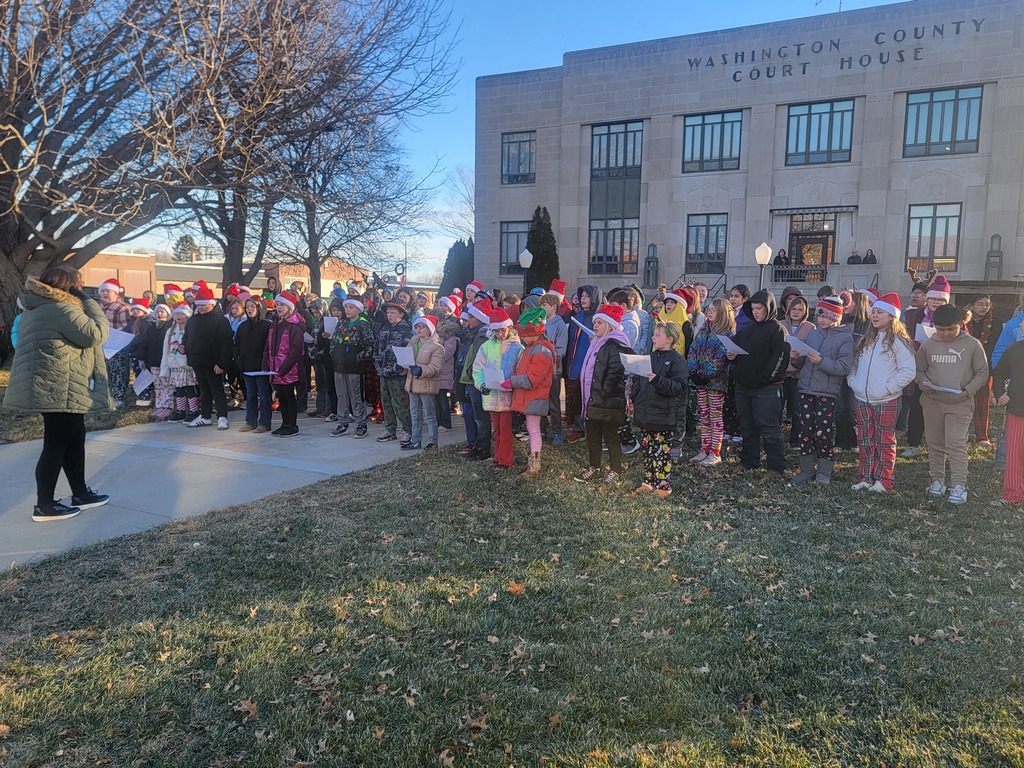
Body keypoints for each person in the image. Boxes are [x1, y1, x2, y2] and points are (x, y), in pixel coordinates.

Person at [3, 266, 112, 521]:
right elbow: (96, 334)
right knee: (56, 444)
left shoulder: (36, 308)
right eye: (79, 284)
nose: (82, 287)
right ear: (69, 286)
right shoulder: (62, 309)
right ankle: (45, 505)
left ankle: (80, 493)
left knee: (74, 438)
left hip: (53, 384)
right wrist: (88, 301)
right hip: (60, 385)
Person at [916, 303, 988, 505]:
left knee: (955, 444)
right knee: (934, 443)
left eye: (951, 329)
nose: (946, 334)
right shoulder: (928, 344)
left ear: (961, 324)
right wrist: (923, 383)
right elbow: (919, 370)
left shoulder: (972, 344)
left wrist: (968, 390)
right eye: (941, 330)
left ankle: (958, 485)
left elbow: (982, 372)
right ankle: (937, 480)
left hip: (959, 403)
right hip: (932, 401)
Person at [847, 293, 917, 493]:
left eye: (880, 312)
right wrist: (854, 382)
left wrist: (887, 388)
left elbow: (908, 371)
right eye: (874, 312)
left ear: (891, 316)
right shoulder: (866, 340)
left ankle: (884, 479)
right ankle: (866, 476)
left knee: (884, 440)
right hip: (862, 397)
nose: (875, 316)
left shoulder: (899, 342)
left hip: (886, 399)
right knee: (865, 439)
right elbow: (854, 363)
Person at [789, 296, 854, 485]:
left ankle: (824, 472)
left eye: (825, 315)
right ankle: (806, 469)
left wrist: (822, 361)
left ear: (836, 317)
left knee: (824, 432)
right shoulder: (814, 334)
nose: (821, 319)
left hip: (826, 392)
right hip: (806, 389)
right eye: (819, 315)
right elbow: (804, 361)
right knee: (805, 430)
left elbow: (843, 367)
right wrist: (796, 357)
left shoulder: (845, 337)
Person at [727, 289, 789, 477]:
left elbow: (780, 359)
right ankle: (749, 461)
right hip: (744, 386)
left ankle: (776, 466)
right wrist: (732, 356)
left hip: (766, 388)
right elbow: (736, 349)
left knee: (769, 427)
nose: (755, 312)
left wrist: (763, 378)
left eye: (759, 308)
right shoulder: (748, 329)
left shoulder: (777, 330)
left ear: (768, 308)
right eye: (753, 308)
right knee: (747, 425)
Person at [576, 304, 633, 485]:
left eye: (599, 322)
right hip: (592, 399)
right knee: (593, 436)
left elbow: (615, 373)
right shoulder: (597, 342)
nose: (595, 326)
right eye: (595, 323)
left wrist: (603, 393)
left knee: (611, 437)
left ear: (609, 325)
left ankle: (615, 469)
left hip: (607, 401)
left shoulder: (614, 345)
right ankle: (595, 466)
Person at [633, 321, 687, 496]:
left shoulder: (677, 361)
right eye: (653, 334)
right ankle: (648, 481)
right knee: (647, 449)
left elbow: (678, 387)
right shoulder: (649, 357)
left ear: (670, 339)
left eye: (658, 335)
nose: (653, 338)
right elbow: (639, 383)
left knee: (661, 452)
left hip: (664, 415)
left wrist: (657, 380)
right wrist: (633, 397)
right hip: (646, 414)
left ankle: (663, 485)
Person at [506, 307, 556, 477]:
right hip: (530, 397)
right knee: (531, 429)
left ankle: (534, 465)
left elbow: (533, 379)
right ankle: (532, 461)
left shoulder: (541, 351)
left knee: (534, 430)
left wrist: (511, 381)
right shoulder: (532, 347)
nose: (521, 337)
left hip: (535, 397)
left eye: (524, 335)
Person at [473, 308, 524, 470]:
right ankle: (498, 457)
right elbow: (478, 368)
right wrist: (480, 385)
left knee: (506, 429)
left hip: (507, 395)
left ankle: (505, 460)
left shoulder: (517, 347)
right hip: (491, 394)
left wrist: (513, 384)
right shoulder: (486, 346)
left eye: (502, 330)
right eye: (496, 331)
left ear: (509, 327)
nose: (500, 334)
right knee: (497, 430)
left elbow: (520, 370)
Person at [686, 298, 734, 467]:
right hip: (700, 382)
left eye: (714, 309)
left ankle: (715, 452)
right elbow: (692, 350)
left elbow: (721, 358)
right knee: (703, 416)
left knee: (715, 416)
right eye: (709, 309)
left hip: (715, 383)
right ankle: (704, 448)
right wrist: (693, 370)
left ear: (723, 313)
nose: (710, 312)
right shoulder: (702, 331)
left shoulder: (727, 334)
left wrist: (706, 373)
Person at [183, 284, 233, 429]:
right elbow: (187, 337)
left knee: (217, 389)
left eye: (205, 305)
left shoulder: (220, 320)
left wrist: (222, 363)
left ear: (212, 304)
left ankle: (222, 416)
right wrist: (184, 347)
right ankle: (205, 416)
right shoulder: (193, 320)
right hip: (197, 361)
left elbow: (226, 343)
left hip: (214, 362)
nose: (202, 308)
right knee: (204, 390)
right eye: (199, 305)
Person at [328, 296, 372, 438]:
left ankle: (361, 424)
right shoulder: (341, 324)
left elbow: (369, 346)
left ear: (359, 309)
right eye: (346, 307)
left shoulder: (363, 325)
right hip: (339, 366)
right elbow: (334, 342)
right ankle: (343, 422)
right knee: (341, 395)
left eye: (351, 307)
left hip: (355, 367)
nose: (347, 310)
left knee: (356, 396)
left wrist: (357, 358)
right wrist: (335, 356)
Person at [263, 291, 306, 437]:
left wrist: (284, 367)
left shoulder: (295, 326)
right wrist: (266, 363)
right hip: (275, 368)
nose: (279, 307)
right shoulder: (274, 324)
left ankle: (292, 425)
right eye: (277, 305)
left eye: (282, 305)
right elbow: (268, 346)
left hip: (289, 369)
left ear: (290, 307)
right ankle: (284, 423)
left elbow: (296, 350)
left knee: (289, 396)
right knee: (281, 396)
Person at [565, 285, 602, 443]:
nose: (583, 299)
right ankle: (578, 428)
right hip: (576, 360)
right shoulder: (578, 315)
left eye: (587, 296)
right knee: (578, 396)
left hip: (592, 361)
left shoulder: (599, 317)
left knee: (590, 397)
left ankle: (592, 429)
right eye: (582, 296)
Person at [372, 299, 413, 443]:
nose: (389, 315)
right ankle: (390, 428)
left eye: (393, 312)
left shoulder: (406, 331)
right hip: (383, 372)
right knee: (386, 402)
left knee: (400, 402)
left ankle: (408, 430)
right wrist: (378, 366)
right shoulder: (384, 329)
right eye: (388, 312)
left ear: (401, 314)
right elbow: (377, 348)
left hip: (397, 374)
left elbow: (408, 351)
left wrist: (403, 368)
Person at [965, 294, 1003, 447]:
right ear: (972, 306)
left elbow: (994, 345)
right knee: (964, 399)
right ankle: (963, 432)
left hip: (985, 366)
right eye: (980, 304)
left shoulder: (996, 323)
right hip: (965, 365)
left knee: (982, 401)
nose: (984, 307)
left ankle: (982, 435)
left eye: (986, 304)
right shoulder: (964, 321)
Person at [459, 298, 494, 460]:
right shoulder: (474, 334)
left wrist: (474, 378)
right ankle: (479, 446)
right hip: (473, 380)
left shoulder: (482, 336)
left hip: (477, 381)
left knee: (481, 417)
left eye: (472, 317)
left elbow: (478, 361)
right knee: (477, 416)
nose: (469, 320)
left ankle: (483, 448)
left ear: (480, 318)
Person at [991, 337, 1024, 506]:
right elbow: (998, 373)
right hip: (1017, 409)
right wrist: (999, 393)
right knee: (1014, 453)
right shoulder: (1015, 349)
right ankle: (1012, 494)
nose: (1021, 324)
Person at [235, 297, 273, 433]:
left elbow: (270, 346)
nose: (249, 309)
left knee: (264, 395)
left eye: (252, 307)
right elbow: (237, 344)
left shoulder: (266, 325)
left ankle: (265, 423)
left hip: (261, 367)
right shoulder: (243, 326)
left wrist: (267, 363)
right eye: (247, 307)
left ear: (259, 308)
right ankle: (250, 421)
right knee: (250, 394)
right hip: (247, 366)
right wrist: (238, 360)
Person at [782, 295, 815, 443]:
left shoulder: (810, 327)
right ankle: (775, 437)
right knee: (777, 407)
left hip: (799, 375)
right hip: (781, 373)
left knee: (797, 408)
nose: (796, 312)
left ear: (805, 311)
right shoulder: (780, 324)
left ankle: (795, 439)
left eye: (800, 310)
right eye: (793, 309)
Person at [132, 302, 173, 419]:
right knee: (158, 385)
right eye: (157, 311)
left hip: (165, 361)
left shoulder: (170, 327)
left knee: (167, 385)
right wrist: (142, 358)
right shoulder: (151, 326)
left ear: (168, 314)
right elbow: (144, 343)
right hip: (153, 360)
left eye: (162, 311)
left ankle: (168, 406)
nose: (159, 314)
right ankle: (159, 405)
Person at [97, 277, 131, 408]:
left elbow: (126, 327)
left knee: (118, 371)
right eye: (103, 291)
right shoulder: (99, 307)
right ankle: (106, 397)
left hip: (117, 345)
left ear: (116, 293)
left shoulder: (121, 308)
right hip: (102, 344)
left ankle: (118, 398)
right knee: (104, 371)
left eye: (108, 291)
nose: (105, 294)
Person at [539, 292, 568, 445]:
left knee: (553, 402)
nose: (542, 308)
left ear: (554, 307)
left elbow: (561, 349)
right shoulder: (540, 322)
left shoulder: (559, 324)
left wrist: (548, 359)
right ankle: (541, 430)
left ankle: (557, 431)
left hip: (553, 369)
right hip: (539, 370)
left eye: (545, 305)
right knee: (541, 400)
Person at [163, 305, 199, 422]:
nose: (179, 316)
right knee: (178, 389)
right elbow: (165, 349)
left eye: (182, 314)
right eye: (177, 314)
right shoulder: (171, 331)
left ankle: (194, 410)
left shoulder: (192, 330)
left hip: (187, 366)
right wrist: (165, 368)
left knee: (189, 388)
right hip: (175, 366)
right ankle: (180, 410)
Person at [434, 298, 461, 432]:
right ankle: (438, 420)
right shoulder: (433, 335)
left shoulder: (449, 335)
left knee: (442, 398)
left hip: (444, 371)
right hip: (435, 370)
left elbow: (448, 351)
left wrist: (434, 356)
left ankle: (445, 423)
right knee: (436, 398)